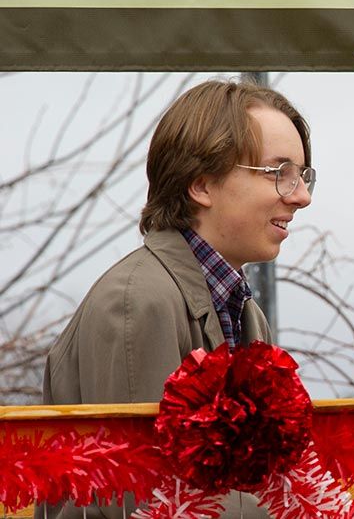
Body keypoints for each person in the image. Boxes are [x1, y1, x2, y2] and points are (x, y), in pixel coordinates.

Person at [38, 79, 315, 518]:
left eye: (303, 176)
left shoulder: (243, 308)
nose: (300, 196)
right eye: (278, 173)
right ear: (202, 184)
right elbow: (146, 501)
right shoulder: (136, 303)